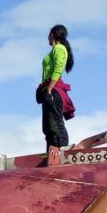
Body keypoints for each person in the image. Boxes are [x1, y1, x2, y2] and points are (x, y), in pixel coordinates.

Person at [37, 24, 74, 165]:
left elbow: (58, 69)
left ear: (52, 34)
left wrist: (49, 89)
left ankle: (61, 151)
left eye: (48, 34)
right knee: (47, 127)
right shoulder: (55, 49)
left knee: (55, 126)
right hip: (49, 89)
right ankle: (51, 153)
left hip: (53, 90)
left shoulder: (59, 48)